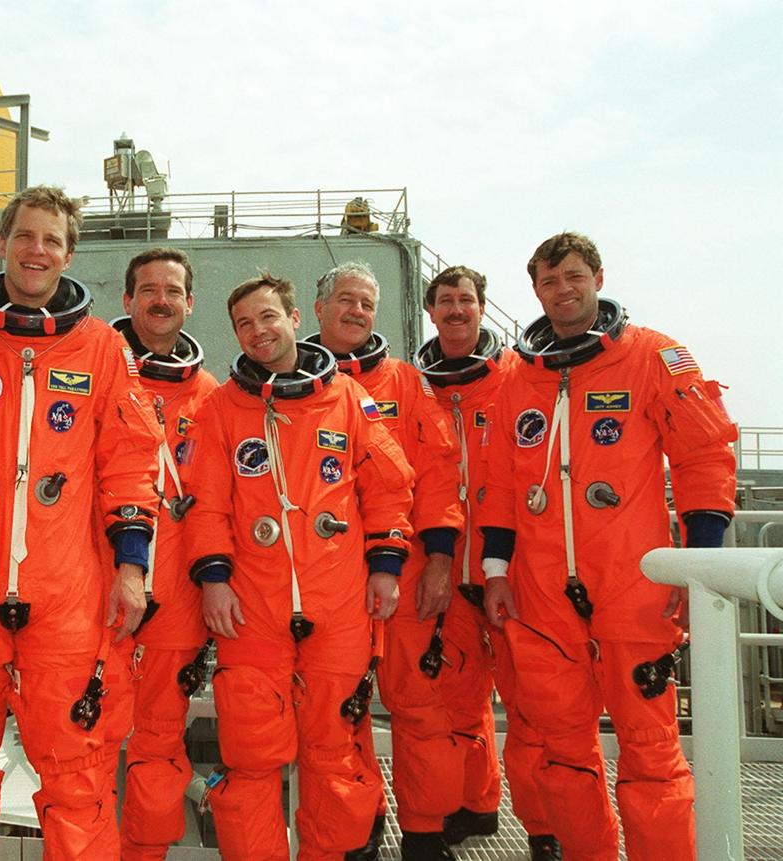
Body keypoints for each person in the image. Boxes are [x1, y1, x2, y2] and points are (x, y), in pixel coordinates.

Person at [479, 232, 737, 861]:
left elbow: (703, 457)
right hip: (540, 593)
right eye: (548, 281)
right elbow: (499, 485)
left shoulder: (653, 357)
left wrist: (696, 565)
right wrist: (496, 570)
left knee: (649, 746)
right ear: (535, 290)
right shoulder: (516, 378)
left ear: (597, 277)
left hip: (633, 584)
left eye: (573, 276)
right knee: (562, 746)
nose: (562, 290)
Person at [0, 186, 163, 860]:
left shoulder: (101, 349)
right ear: (1, 243)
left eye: (52, 240)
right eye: (26, 236)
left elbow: (130, 463)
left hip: (67, 601)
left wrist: (131, 568)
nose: (37, 250)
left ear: (69, 255)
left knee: (78, 778)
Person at [184, 273, 414, 860]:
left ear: (293, 318)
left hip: (339, 606)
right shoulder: (221, 409)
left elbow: (389, 488)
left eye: (267, 317)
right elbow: (205, 506)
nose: (258, 331)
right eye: (244, 323)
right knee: (250, 759)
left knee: (333, 755)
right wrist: (214, 580)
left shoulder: (349, 399)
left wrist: (386, 566)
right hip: (251, 610)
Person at [309, 261, 464, 860]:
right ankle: (358, 829)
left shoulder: (405, 383)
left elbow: (439, 476)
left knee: (419, 704)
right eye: (345, 300)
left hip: (405, 573)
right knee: (340, 712)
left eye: (366, 305)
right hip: (327, 579)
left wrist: (441, 561)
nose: (356, 312)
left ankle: (424, 831)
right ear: (319, 309)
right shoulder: (289, 382)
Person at [415, 265, 560, 860]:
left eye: (466, 300)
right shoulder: (415, 388)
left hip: (513, 569)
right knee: (455, 696)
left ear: (481, 307)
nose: (456, 310)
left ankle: (547, 827)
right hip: (445, 567)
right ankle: (473, 804)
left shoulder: (517, 378)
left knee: (532, 704)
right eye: (445, 300)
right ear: (430, 312)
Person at [108, 248, 219, 860]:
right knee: (85, 745)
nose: (160, 300)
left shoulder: (210, 396)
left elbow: (218, 503)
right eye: (147, 289)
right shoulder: (97, 369)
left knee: (157, 742)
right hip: (102, 586)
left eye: (172, 291)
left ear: (189, 303)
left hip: (176, 601)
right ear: (127, 300)